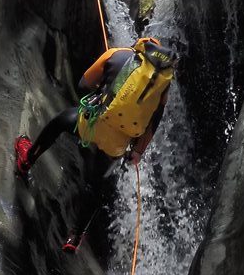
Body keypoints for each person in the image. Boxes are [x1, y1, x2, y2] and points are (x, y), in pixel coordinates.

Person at [14, 37, 177, 253]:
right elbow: (154, 121)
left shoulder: (117, 54)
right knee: (96, 182)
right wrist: (137, 152)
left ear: (141, 46)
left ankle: (27, 159)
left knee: (61, 121)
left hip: (94, 124)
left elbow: (83, 85)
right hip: (118, 143)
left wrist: (103, 90)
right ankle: (75, 236)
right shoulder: (162, 83)